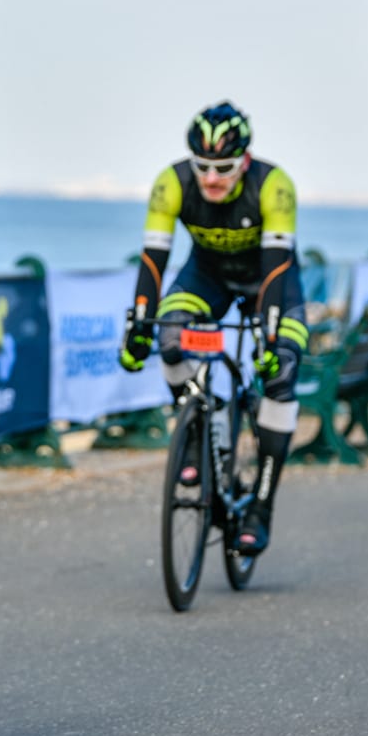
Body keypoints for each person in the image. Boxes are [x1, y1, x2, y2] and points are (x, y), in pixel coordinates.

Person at [119, 101, 308, 556]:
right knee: (169, 338)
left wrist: (270, 332)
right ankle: (197, 432)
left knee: (280, 372)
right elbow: (153, 260)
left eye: (224, 167)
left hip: (270, 281)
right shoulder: (171, 182)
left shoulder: (274, 185)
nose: (211, 178)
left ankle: (261, 509)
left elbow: (278, 269)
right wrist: (140, 321)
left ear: (244, 160)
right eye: (202, 166)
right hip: (206, 278)